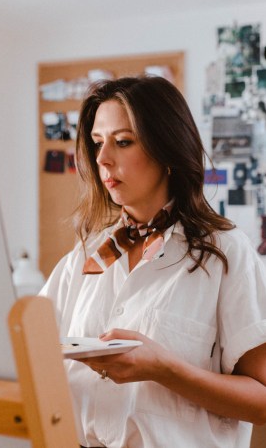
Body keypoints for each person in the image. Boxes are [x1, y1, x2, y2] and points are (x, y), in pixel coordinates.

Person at [40, 75, 266, 448]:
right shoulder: (86, 256)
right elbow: (29, 352)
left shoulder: (226, 253)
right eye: (97, 143)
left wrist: (164, 369)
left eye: (123, 142)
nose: (102, 159)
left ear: (168, 149)